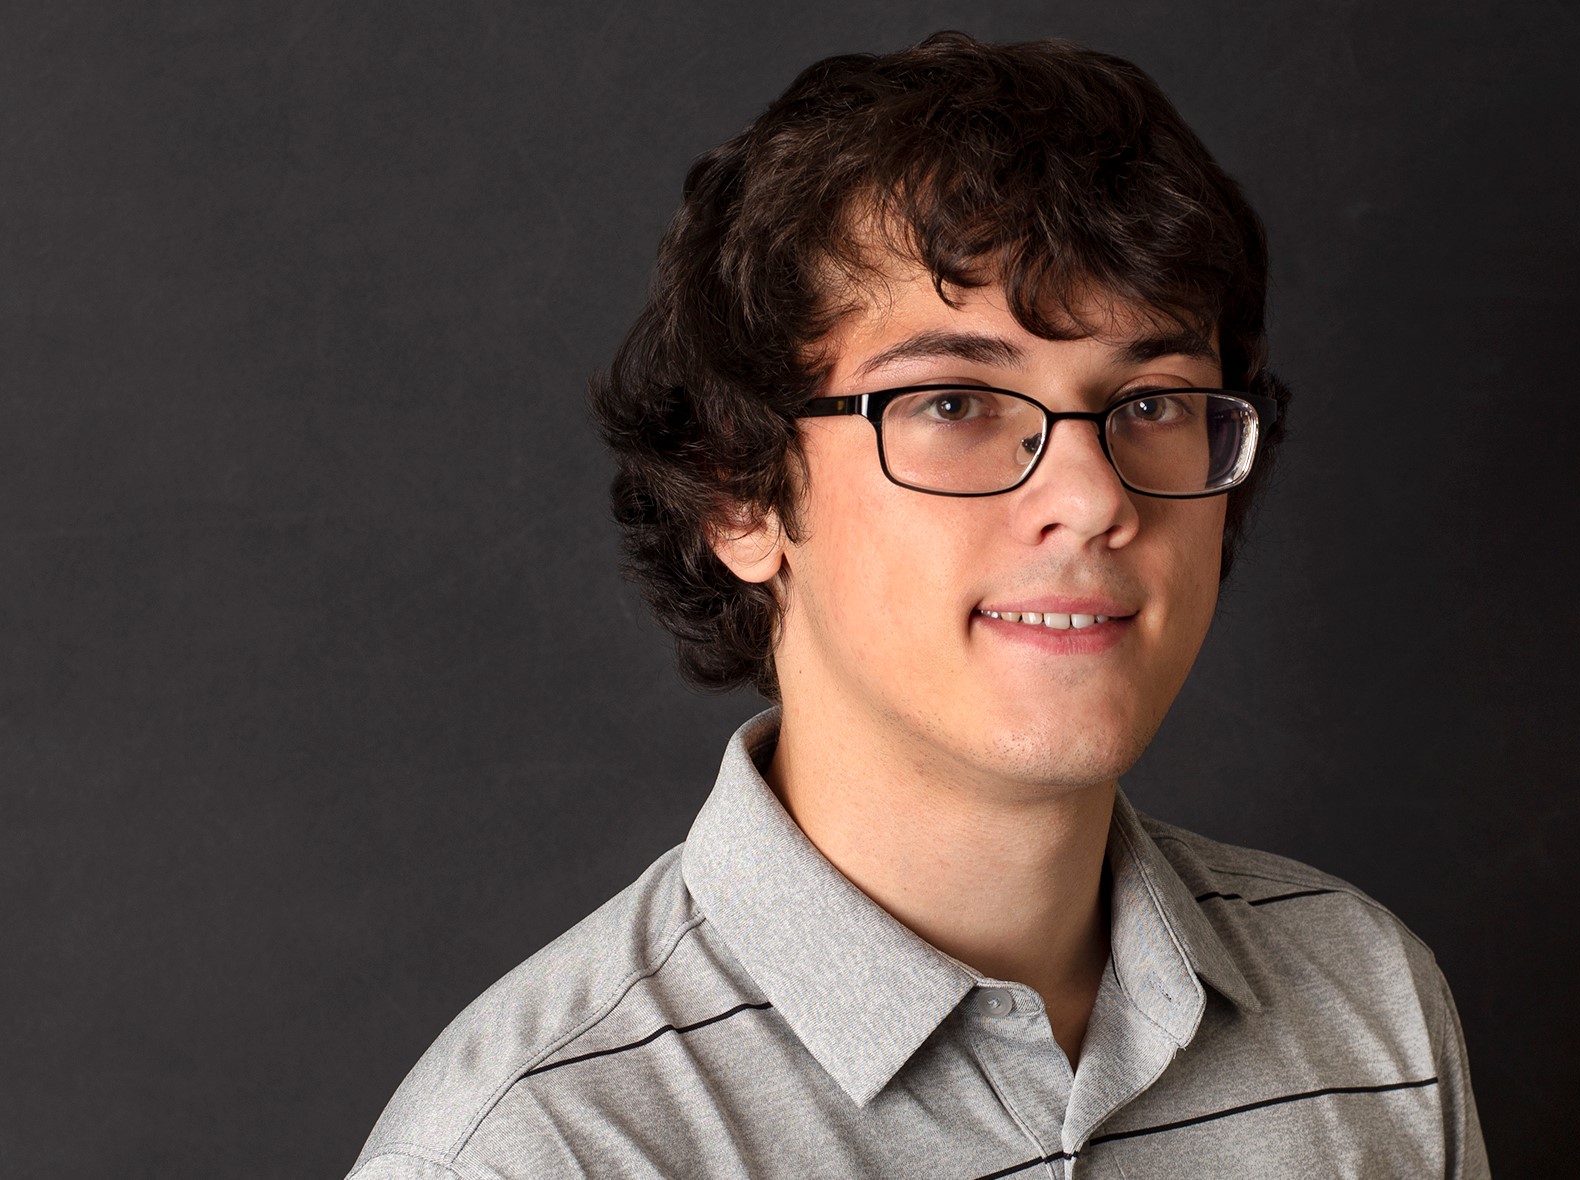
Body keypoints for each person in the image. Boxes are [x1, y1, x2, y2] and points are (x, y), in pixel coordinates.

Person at [349, 31, 1488, 1179]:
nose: (1092, 498)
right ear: (739, 493)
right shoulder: (540, 1149)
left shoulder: (1368, 1006)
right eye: (953, 402)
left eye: (1150, 401)